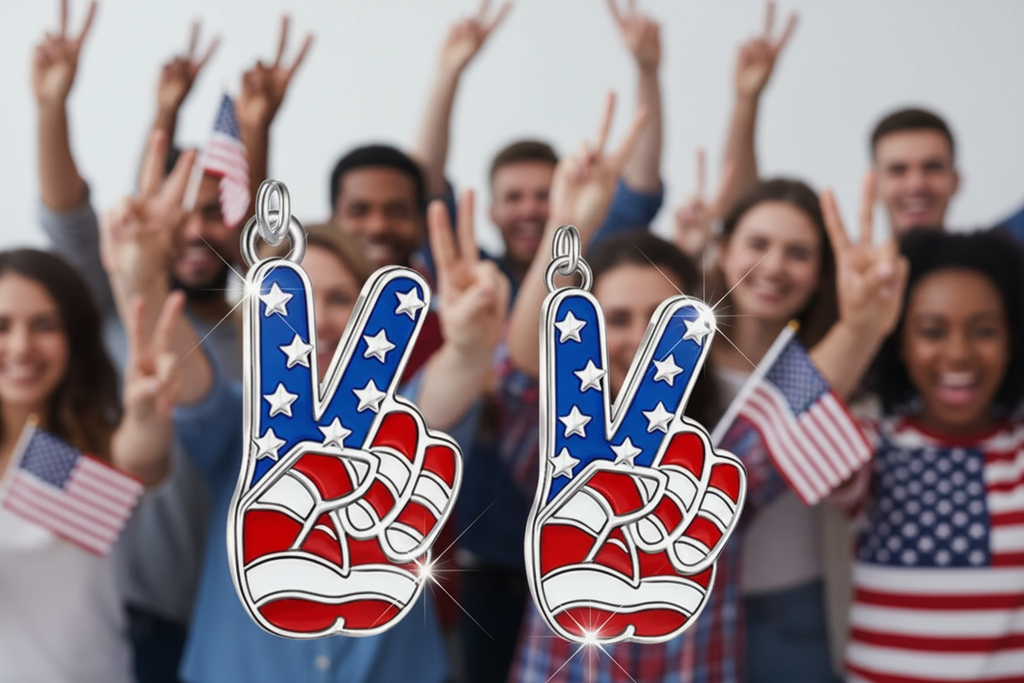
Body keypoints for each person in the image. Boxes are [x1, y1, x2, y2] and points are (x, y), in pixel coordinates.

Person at [101, 130, 509, 682]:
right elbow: (187, 377)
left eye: (340, 298)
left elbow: (444, 394)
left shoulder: (399, 420)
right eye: (293, 300)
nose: (316, 320)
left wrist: (467, 344)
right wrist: (141, 277)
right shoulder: (240, 421)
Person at [838, 227, 1024, 683]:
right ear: (900, 341)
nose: (958, 353)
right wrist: (855, 328)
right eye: (932, 331)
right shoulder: (870, 445)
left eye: (983, 331)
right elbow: (784, 429)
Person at [0, 248, 184, 683]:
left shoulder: (91, 453)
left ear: (76, 336)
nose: (21, 347)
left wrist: (145, 415)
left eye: (44, 325)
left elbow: (140, 457)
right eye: (2, 327)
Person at [869, 107, 960, 236]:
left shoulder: (992, 255)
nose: (916, 184)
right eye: (898, 170)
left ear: (956, 181)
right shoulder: (843, 257)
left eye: (932, 167)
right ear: (874, 185)